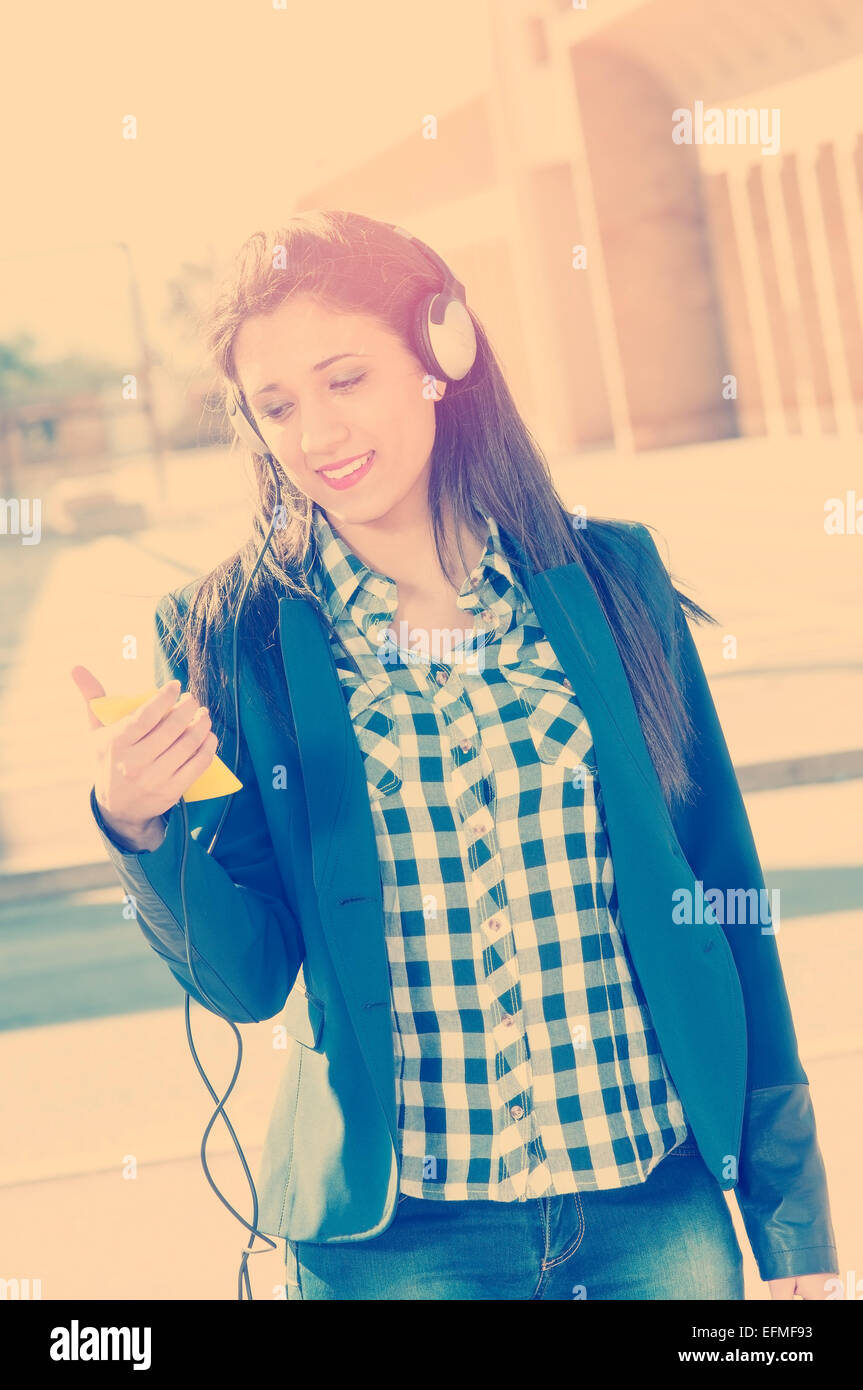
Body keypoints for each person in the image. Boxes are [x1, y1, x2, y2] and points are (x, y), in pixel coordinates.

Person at [72, 210, 838, 1301]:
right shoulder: (226, 637)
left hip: (651, 1211)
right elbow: (245, 982)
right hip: (397, 1248)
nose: (315, 433)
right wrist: (141, 830)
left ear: (442, 354)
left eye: (345, 379)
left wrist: (793, 1222)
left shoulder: (611, 582)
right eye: (276, 404)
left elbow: (722, 896)